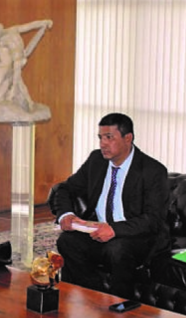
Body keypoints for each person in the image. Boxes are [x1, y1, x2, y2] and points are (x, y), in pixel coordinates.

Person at [53, 112, 170, 299]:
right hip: (99, 230)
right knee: (67, 242)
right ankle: (93, 295)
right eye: (100, 137)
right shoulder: (96, 161)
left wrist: (114, 229)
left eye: (109, 138)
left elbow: (153, 220)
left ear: (128, 138)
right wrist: (65, 214)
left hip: (137, 237)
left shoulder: (152, 171)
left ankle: (121, 304)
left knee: (117, 249)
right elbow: (66, 188)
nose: (102, 144)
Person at [0, 20, 53, 112]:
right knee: (10, 84)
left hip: (12, 62)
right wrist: (43, 24)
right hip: (6, 63)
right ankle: (27, 103)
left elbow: (28, 26)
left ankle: (27, 103)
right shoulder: (1, 41)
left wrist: (43, 24)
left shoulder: (8, 40)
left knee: (14, 83)